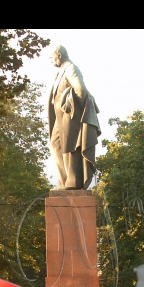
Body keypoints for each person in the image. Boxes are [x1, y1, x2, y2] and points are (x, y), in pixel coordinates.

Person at [47, 45, 101, 190]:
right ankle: (65, 182)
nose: (51, 60)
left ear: (58, 55)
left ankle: (72, 183)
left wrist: (71, 110)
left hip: (69, 117)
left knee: (69, 148)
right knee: (56, 145)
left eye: (52, 57)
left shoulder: (71, 68)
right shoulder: (61, 71)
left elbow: (80, 90)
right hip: (61, 118)